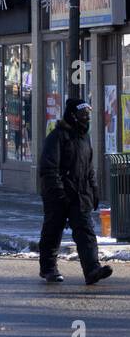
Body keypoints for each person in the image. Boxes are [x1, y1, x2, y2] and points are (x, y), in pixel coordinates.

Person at [38, 99, 112, 285]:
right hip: (58, 194)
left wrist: (94, 190)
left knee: (85, 231)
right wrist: (59, 192)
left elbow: (88, 168)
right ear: (72, 115)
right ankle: (48, 269)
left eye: (88, 113)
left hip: (80, 194)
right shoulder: (57, 136)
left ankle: (92, 269)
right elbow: (48, 168)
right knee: (52, 230)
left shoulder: (84, 138)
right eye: (82, 113)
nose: (86, 117)